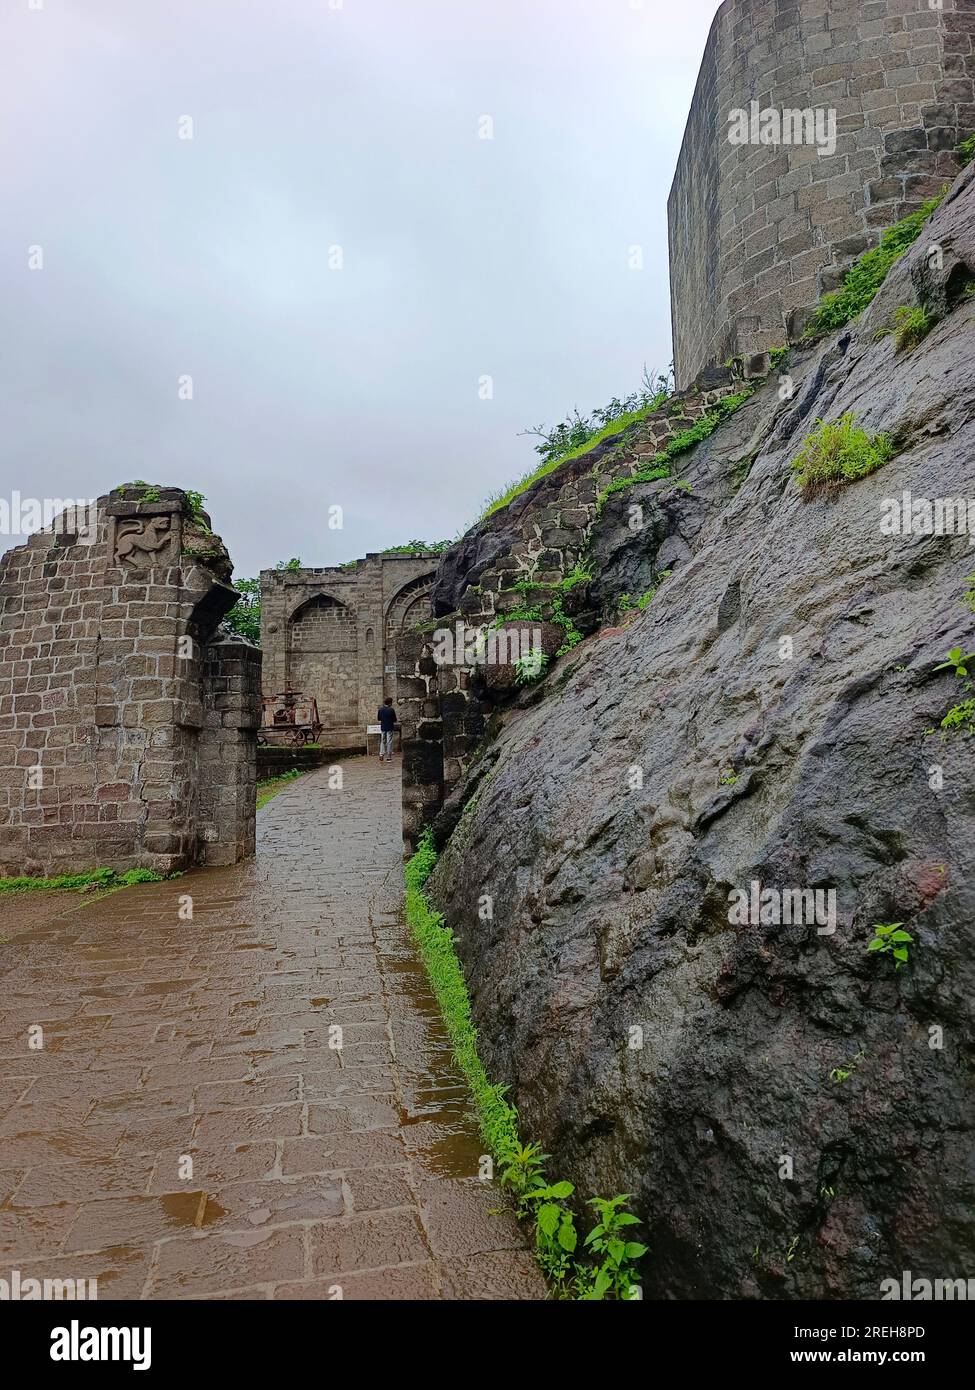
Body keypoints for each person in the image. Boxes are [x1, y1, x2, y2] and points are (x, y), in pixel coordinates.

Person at [377, 696, 398, 762]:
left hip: (383, 727)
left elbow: (379, 718)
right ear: (390, 703)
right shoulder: (391, 710)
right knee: (389, 742)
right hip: (390, 727)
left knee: (383, 741)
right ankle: (388, 757)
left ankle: (381, 754)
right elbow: (394, 719)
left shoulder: (380, 709)